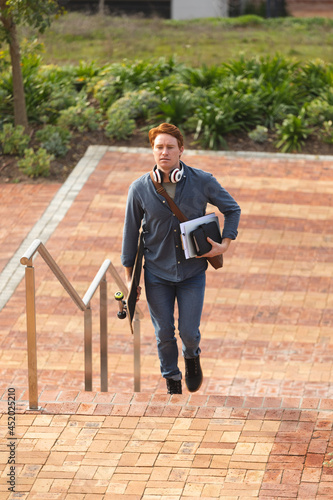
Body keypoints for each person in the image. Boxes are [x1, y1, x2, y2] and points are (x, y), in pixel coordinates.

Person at [121, 123, 240, 394]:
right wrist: (130, 281)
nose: (164, 152)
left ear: (181, 150)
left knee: (188, 331)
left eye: (170, 147)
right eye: (159, 147)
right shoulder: (138, 189)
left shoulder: (203, 181)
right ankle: (172, 381)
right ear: (153, 151)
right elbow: (130, 237)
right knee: (163, 332)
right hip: (156, 274)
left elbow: (232, 209)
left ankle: (192, 357)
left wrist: (225, 244)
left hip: (192, 272)